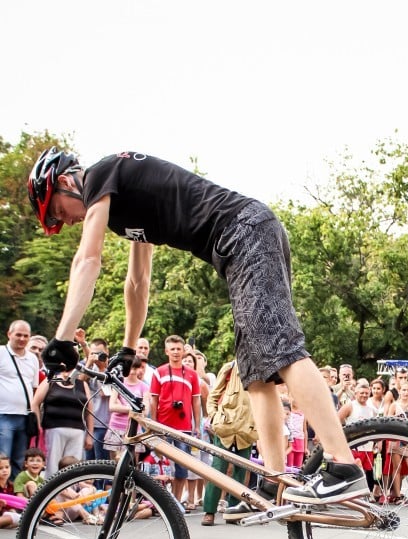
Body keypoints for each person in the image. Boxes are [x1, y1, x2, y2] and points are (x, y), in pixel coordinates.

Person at [27, 148, 367, 506]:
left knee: (281, 351)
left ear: (65, 182)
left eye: (57, 212)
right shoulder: (122, 210)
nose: (65, 221)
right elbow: (138, 283)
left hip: (244, 232)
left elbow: (88, 258)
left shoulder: (100, 175)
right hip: (238, 246)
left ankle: (343, 468)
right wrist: (128, 349)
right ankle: (275, 479)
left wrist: (62, 339)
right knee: (255, 376)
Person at [201, 358, 258, 526]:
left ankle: (233, 511)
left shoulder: (261, 368)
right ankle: (209, 510)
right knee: (218, 469)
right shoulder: (230, 368)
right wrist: (214, 416)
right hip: (225, 427)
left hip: (247, 429)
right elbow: (213, 396)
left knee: (241, 471)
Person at [149, 335, 202, 508]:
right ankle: (163, 502)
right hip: (163, 426)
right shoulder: (159, 372)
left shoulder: (192, 374)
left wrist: (196, 425)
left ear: (183, 350)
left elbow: (196, 400)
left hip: (184, 427)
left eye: (179, 349)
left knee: (182, 468)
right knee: (161, 465)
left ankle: (177, 503)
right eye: (172, 349)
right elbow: (153, 399)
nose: (176, 352)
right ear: (166, 351)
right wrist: (154, 424)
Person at [31, 368, 94, 478]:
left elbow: (89, 411)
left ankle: (70, 493)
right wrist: (37, 425)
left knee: (73, 467)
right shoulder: (50, 381)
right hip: (53, 429)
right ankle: (50, 493)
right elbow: (35, 403)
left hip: (77, 431)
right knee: (52, 465)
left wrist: (90, 435)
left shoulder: (82, 384)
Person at [0, 321, 40, 479]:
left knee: (19, 460)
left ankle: (15, 495)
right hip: (3, 414)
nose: (22, 338)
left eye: (26, 336)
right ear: (9, 334)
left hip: (25, 416)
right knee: (3, 459)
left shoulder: (32, 359)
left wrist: (37, 417)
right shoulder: (1, 353)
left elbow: (35, 388)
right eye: (18, 334)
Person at [0, 452, 21, 529]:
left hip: (7, 515)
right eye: (0, 468)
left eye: (7, 467)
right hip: (4, 515)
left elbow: (15, 504)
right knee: (10, 518)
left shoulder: (11, 486)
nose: (4, 470)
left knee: (15, 517)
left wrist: (12, 510)